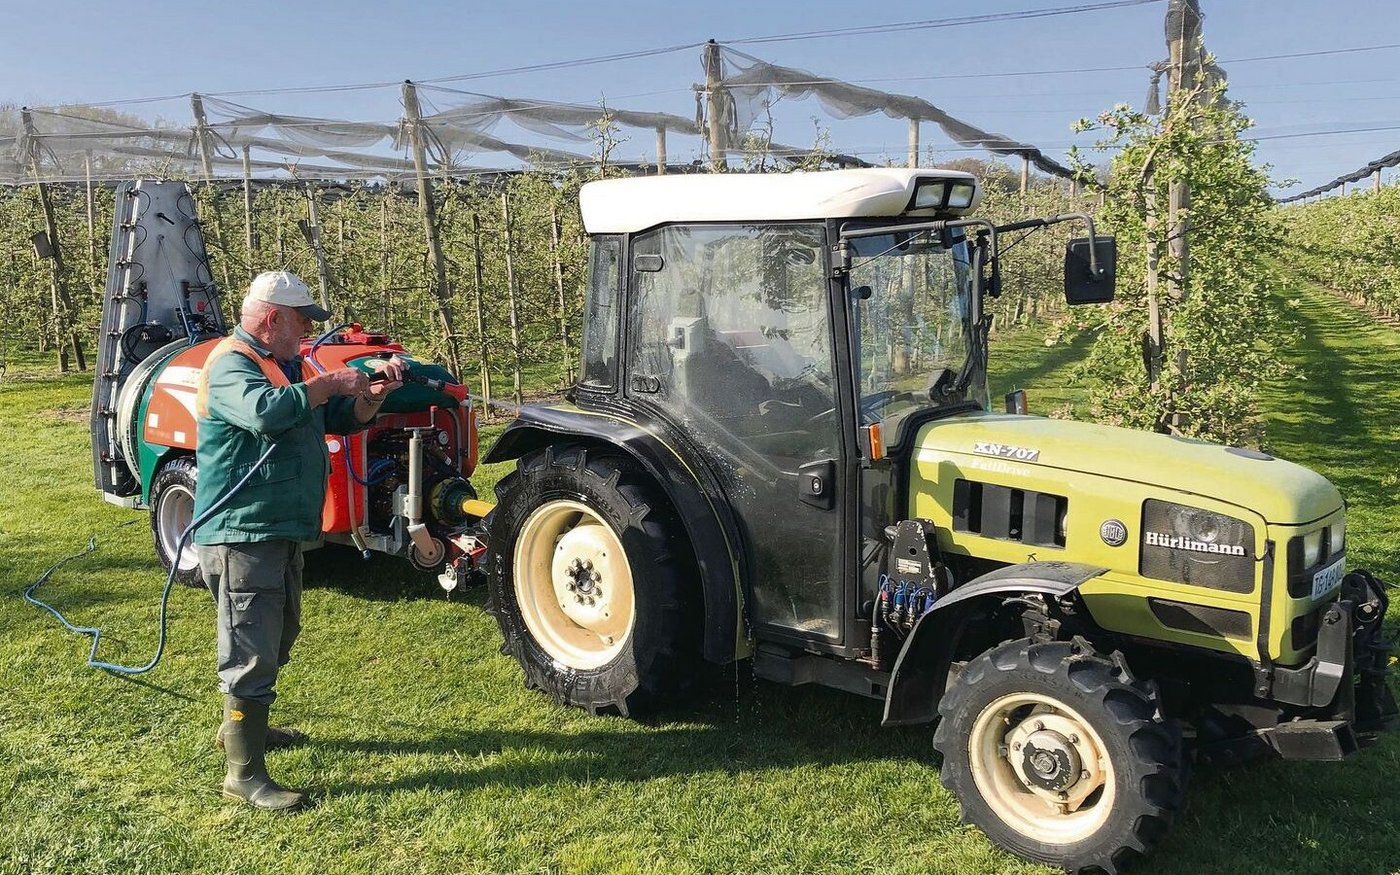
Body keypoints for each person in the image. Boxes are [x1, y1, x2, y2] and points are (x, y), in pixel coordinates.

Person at [193, 271, 404, 811]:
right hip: (243, 530)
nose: (309, 329)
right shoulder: (230, 363)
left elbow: (333, 417)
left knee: (279, 633)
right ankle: (243, 775)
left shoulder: (288, 364)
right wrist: (329, 383)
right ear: (271, 318)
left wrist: (369, 398)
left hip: (279, 528)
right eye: (302, 320)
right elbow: (265, 413)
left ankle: (243, 730)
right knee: (250, 650)